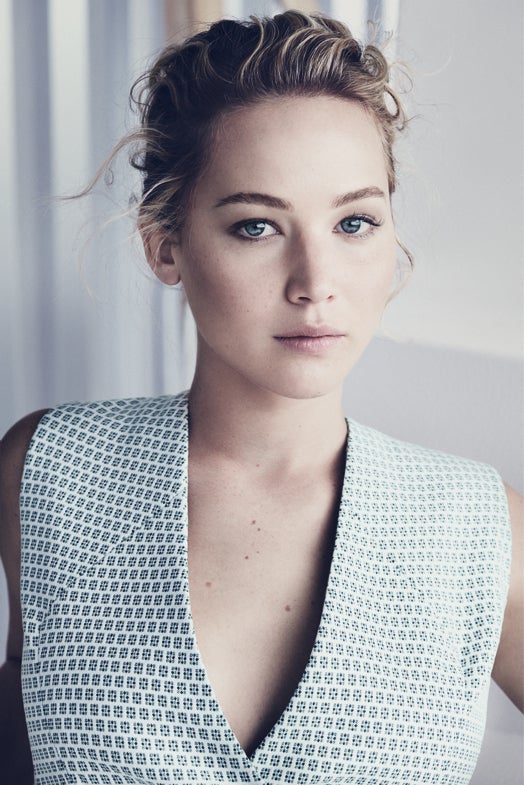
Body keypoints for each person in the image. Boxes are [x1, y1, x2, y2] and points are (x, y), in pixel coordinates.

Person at [0, 10, 522, 785]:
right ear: (165, 246)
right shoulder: (49, 471)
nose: (316, 282)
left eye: (354, 222)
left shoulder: (479, 528)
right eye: (257, 226)